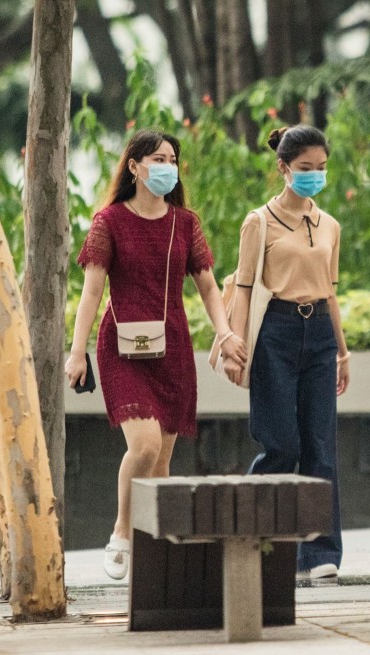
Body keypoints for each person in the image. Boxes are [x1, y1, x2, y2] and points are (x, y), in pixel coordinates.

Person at [64, 128, 247, 579]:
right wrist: (77, 352)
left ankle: (156, 561)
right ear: (134, 167)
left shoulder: (185, 224)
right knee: (143, 446)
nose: (167, 166)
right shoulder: (108, 221)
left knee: (162, 462)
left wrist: (224, 334)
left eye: (172, 159)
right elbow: (91, 293)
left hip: (172, 349)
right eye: (157, 159)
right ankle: (122, 531)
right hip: (122, 347)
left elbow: (207, 285)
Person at [220, 124, 350, 579]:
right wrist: (235, 344)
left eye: (320, 168)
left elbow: (330, 292)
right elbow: (243, 285)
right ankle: (248, 539)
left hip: (319, 338)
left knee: (321, 447)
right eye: (304, 168)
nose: (314, 175)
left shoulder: (329, 225)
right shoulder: (260, 221)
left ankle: (319, 554)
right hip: (274, 331)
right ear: (283, 168)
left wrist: (343, 352)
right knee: (281, 444)